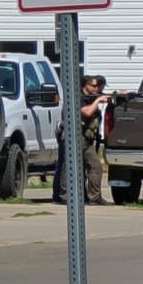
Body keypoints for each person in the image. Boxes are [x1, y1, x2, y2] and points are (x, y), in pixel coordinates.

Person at [52, 74, 109, 205]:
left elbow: (105, 97)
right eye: (93, 85)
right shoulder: (77, 97)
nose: (97, 88)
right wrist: (98, 101)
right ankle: (64, 196)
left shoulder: (92, 97)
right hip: (72, 137)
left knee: (95, 166)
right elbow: (87, 112)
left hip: (85, 139)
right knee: (69, 167)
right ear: (85, 85)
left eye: (98, 86)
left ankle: (94, 197)